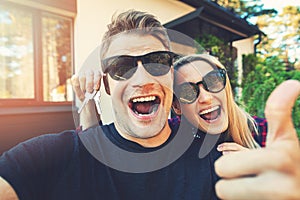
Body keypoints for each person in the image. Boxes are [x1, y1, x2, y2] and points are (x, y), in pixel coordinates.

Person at [0, 9, 299, 200]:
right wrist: (85, 101)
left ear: (170, 76)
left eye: (157, 62)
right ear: (106, 83)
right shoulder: (55, 155)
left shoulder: (216, 160)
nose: (142, 78)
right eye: (122, 67)